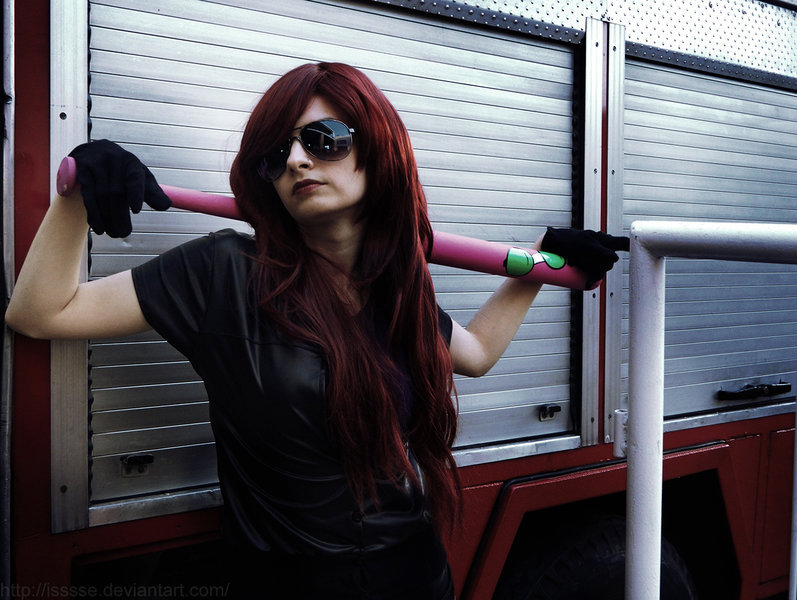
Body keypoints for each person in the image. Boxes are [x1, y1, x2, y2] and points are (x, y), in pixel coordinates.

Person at [6, 62, 626, 599]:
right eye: (276, 155)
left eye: (324, 139)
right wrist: (76, 198)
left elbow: (477, 353)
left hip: (414, 575)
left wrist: (539, 264)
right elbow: (40, 313)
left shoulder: (392, 288)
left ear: (377, 149)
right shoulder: (222, 273)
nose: (298, 160)